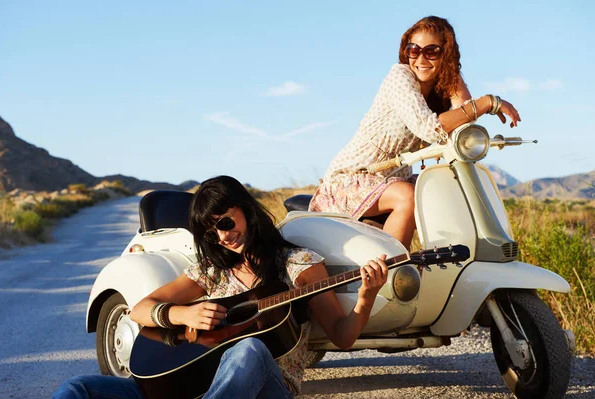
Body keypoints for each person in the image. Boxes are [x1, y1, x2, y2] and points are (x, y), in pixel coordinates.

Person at [53, 175, 389, 399]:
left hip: (267, 389)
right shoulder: (211, 270)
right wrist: (185, 312)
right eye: (212, 232)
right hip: (196, 382)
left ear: (246, 211)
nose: (223, 236)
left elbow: (343, 337)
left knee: (249, 350)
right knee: (78, 388)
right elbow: (141, 309)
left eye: (226, 223)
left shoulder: (298, 264)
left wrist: (367, 295)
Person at [309, 16, 521, 250]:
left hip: (394, 178)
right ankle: (393, 274)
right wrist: (487, 103)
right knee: (408, 196)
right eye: (414, 50)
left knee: (449, 188)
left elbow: (463, 124)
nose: (421, 58)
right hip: (353, 176)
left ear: (446, 55)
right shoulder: (399, 77)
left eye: (432, 51)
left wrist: (453, 75)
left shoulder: (439, 88)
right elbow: (429, 128)